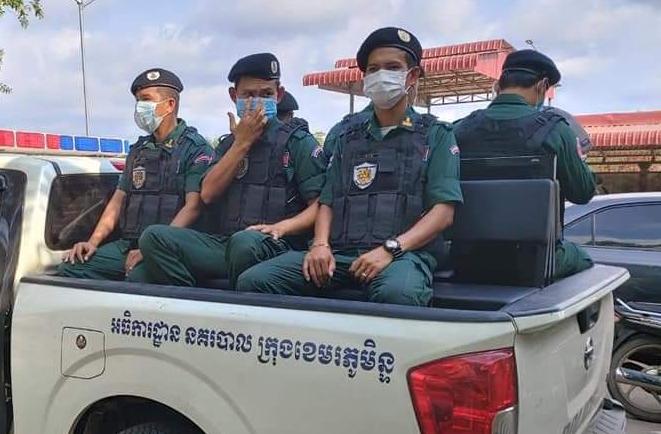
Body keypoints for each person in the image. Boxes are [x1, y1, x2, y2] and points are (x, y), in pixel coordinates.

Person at [237, 27, 462, 306]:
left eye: (392, 67)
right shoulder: (346, 135)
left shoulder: (435, 135)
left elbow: (443, 213)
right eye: (373, 69)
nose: (381, 75)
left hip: (401, 256)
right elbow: (327, 200)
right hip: (340, 254)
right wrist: (320, 244)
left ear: (412, 75)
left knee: (398, 293)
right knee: (255, 280)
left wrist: (390, 249)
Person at [139, 53, 327, 287]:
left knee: (245, 243)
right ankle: (195, 302)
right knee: (153, 238)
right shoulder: (229, 145)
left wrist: (281, 227)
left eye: (266, 94)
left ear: (279, 95)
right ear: (233, 96)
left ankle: (229, 301)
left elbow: (320, 205)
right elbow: (208, 194)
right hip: (224, 244)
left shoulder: (297, 142)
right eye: (248, 95)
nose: (257, 102)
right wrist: (242, 143)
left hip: (276, 245)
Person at [58, 68, 214, 282]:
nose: (140, 107)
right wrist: (92, 242)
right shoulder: (138, 151)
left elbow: (193, 206)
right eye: (138, 101)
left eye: (146, 100)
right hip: (130, 243)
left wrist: (153, 247)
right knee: (71, 268)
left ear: (170, 105)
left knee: (137, 278)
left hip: (169, 250)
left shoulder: (195, 148)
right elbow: (118, 201)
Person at [453, 49, 596, 279]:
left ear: (499, 85)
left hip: (466, 261)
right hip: (535, 263)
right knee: (584, 259)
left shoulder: (458, 129)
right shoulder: (556, 130)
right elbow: (582, 193)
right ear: (542, 86)